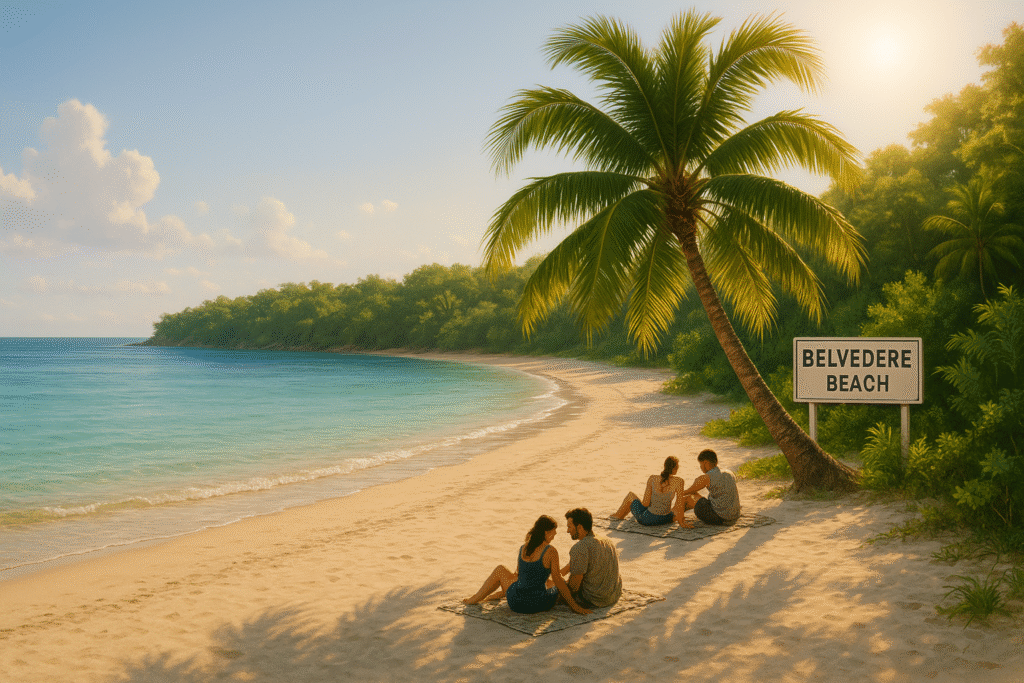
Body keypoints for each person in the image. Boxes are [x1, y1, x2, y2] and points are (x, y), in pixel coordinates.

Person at [463, 515, 590, 614]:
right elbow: (558, 581)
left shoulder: (523, 548)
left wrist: (504, 592)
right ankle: (496, 595)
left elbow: (518, 576)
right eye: (553, 532)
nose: (555, 535)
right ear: (546, 532)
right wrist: (574, 606)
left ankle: (474, 599)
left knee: (501, 570)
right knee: (556, 583)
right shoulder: (551, 551)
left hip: (515, 603)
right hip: (537, 604)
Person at [561, 508, 622, 608]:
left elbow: (573, 587)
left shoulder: (580, 548)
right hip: (613, 596)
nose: (568, 531)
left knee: (553, 592)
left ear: (579, 527)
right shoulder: (608, 541)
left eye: (570, 527)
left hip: (595, 599)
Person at [610, 456, 685, 525]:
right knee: (659, 509)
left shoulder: (652, 478)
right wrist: (681, 523)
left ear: (665, 466)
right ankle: (621, 515)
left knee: (630, 495)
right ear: (675, 468)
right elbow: (679, 505)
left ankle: (617, 516)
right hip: (667, 519)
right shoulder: (679, 481)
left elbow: (645, 503)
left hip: (648, 520)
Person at [675, 449, 741, 527]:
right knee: (695, 496)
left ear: (705, 463)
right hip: (734, 516)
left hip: (719, 518)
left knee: (686, 499)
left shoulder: (706, 477)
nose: (700, 467)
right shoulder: (729, 473)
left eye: (700, 464)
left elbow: (683, 493)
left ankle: (678, 520)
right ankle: (674, 514)